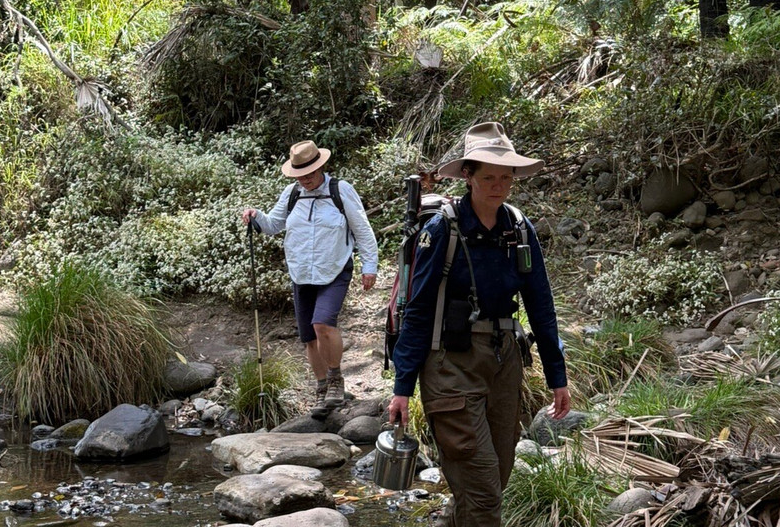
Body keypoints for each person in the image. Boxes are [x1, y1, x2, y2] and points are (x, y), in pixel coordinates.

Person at [387, 122, 570, 527]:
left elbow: (541, 305)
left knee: (491, 482)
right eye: (489, 176)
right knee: (484, 491)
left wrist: (558, 376)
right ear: (468, 176)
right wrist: (402, 388)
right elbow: (416, 312)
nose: (499, 185)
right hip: (449, 367)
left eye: (506, 177)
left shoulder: (519, 229)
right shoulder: (443, 229)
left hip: (503, 365)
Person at [243, 139, 378, 417]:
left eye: (310, 174)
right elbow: (273, 225)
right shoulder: (292, 194)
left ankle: (335, 381)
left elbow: (362, 229)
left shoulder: (341, 191)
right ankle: (321, 390)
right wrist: (256, 216)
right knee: (308, 337)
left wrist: (370, 266)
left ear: (321, 167)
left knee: (322, 324)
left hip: (335, 269)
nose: (305, 180)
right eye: (300, 175)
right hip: (301, 272)